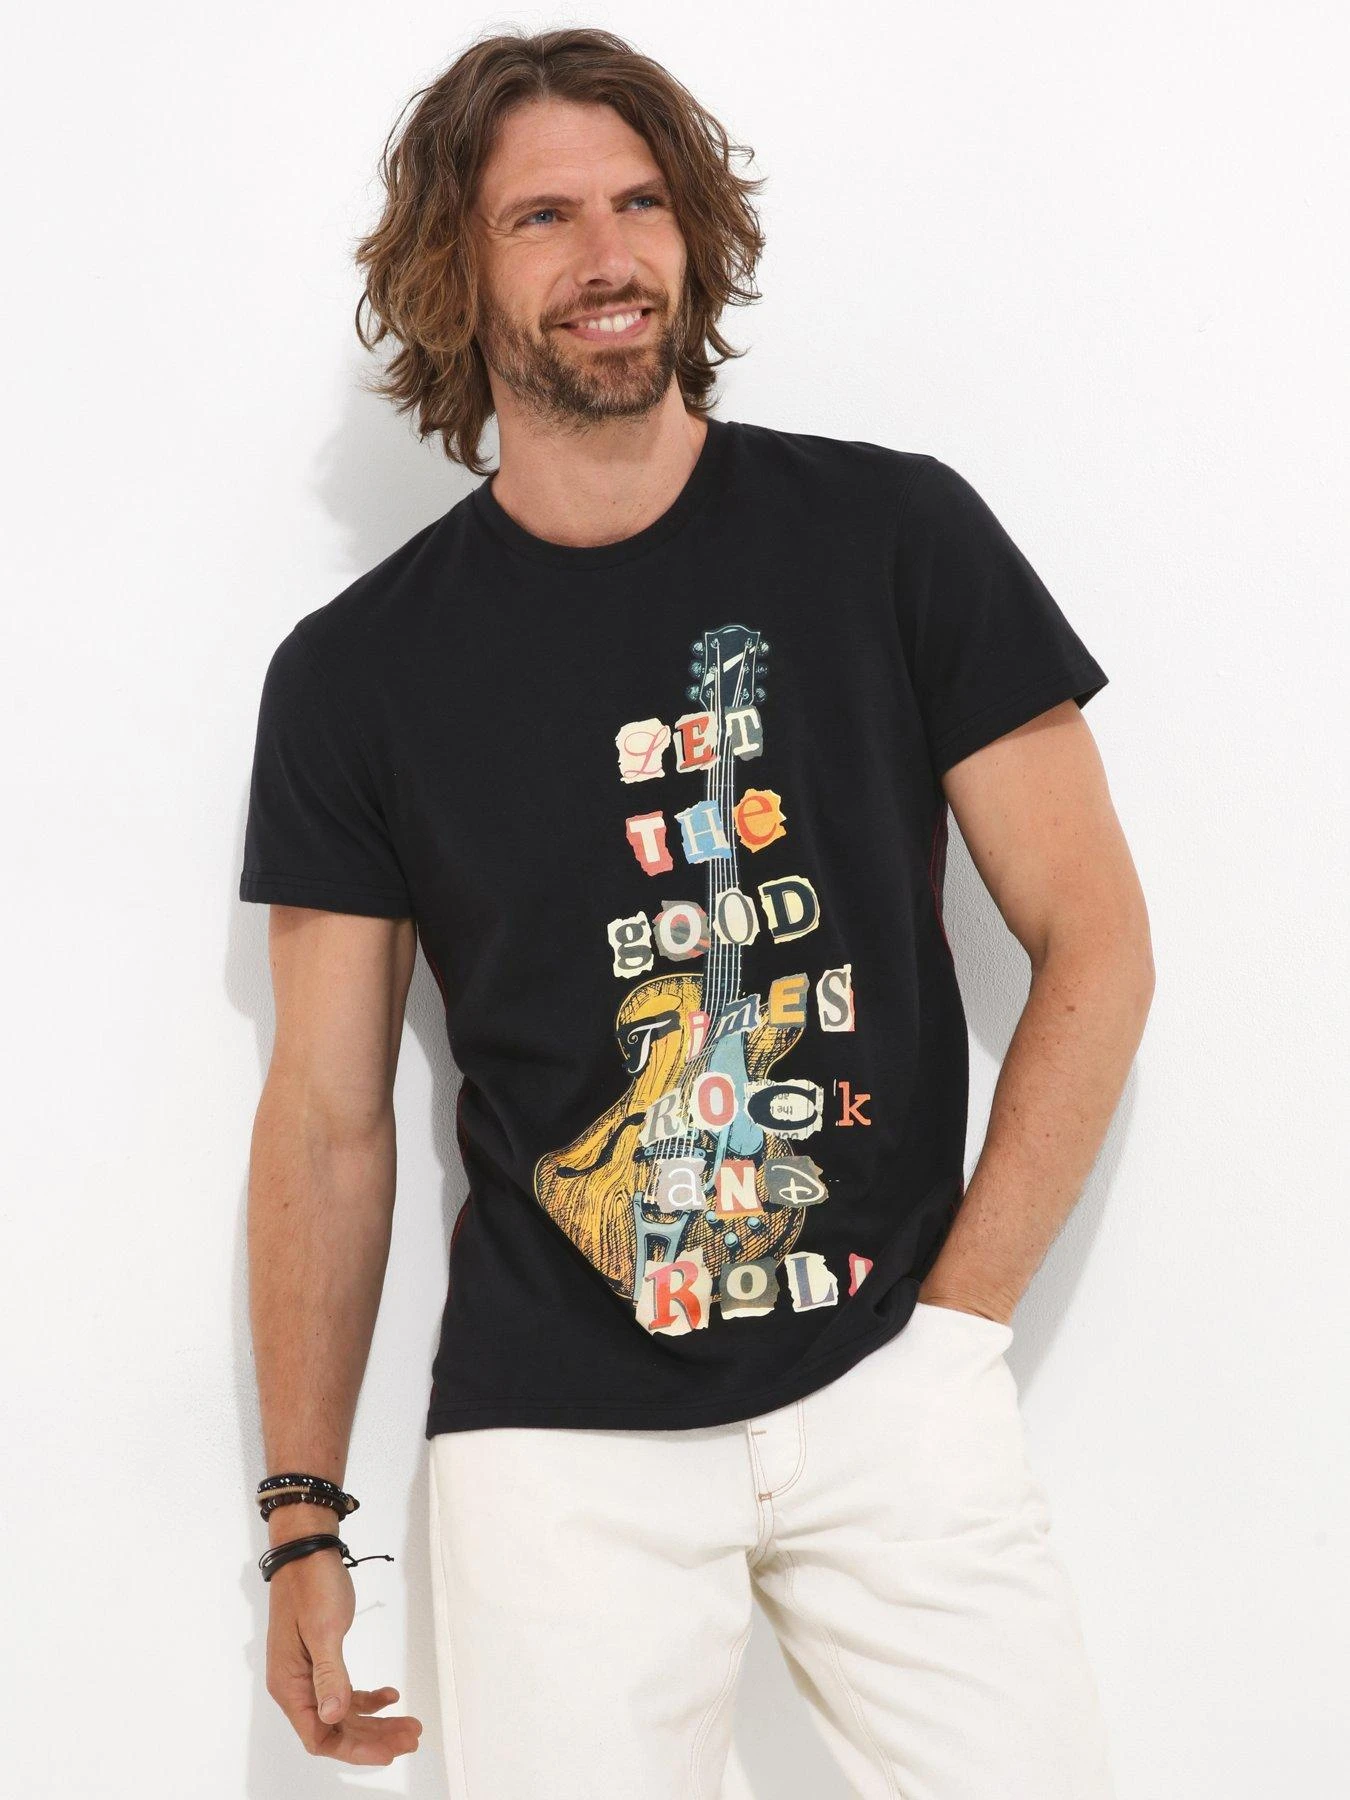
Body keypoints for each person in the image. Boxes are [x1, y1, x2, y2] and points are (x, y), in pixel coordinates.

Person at [239, 25, 1153, 1798]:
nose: (608, 254)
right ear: (454, 271)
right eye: (543, 217)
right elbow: (328, 1118)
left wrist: (958, 1326)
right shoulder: (357, 676)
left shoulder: (893, 534)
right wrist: (300, 1516)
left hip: (891, 1382)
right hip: (552, 1442)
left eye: (641, 203)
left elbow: (1095, 937)